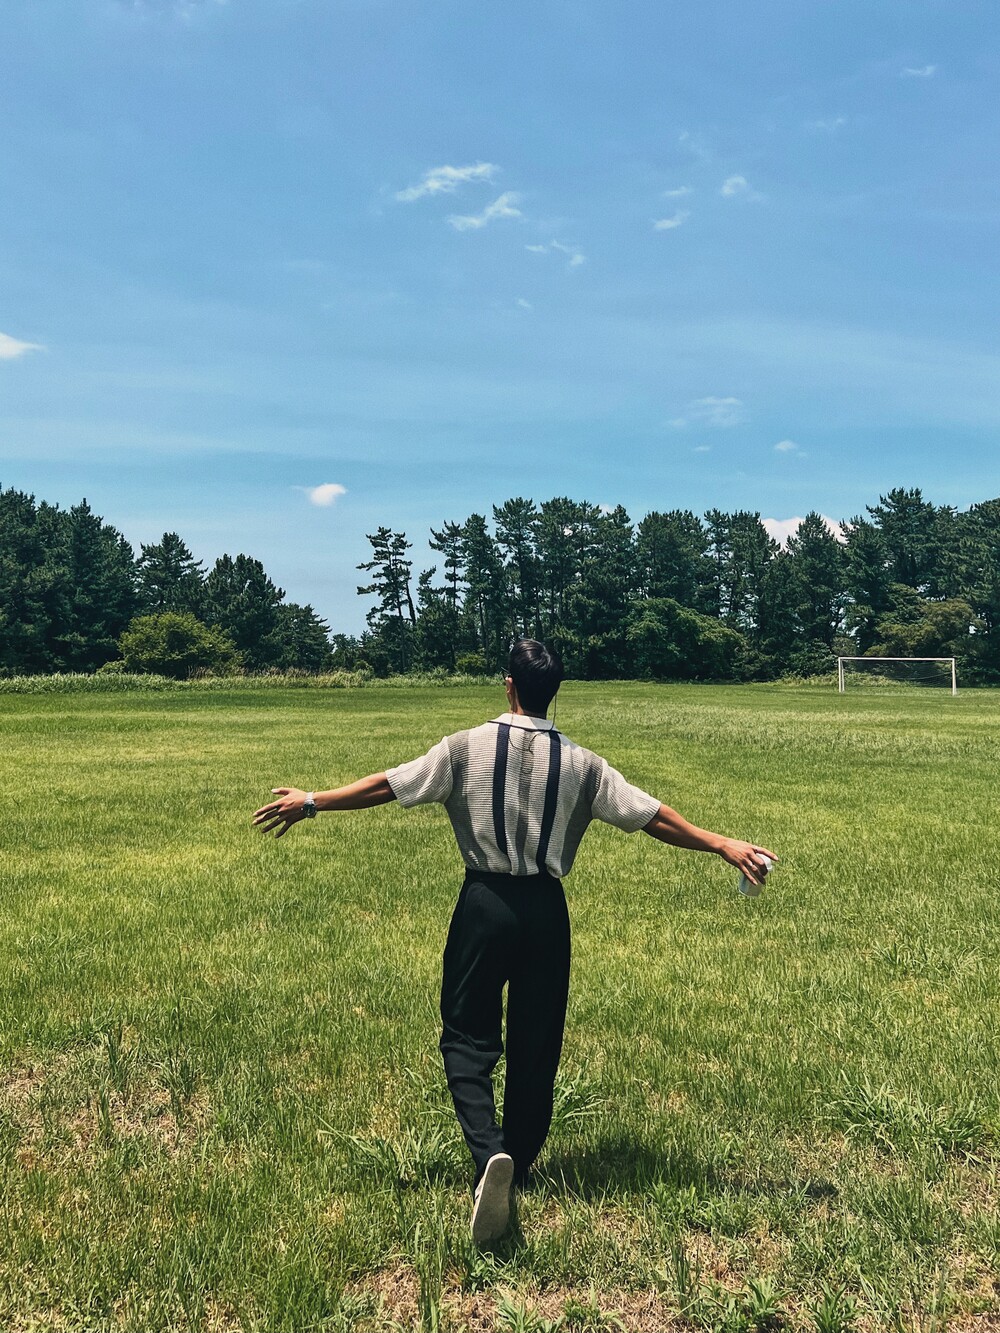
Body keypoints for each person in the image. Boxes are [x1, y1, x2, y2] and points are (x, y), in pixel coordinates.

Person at [252, 639, 776, 1244]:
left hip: (484, 904)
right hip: (546, 912)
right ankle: (518, 1165)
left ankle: (488, 1155)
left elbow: (389, 786)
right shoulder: (583, 764)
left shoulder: (463, 747)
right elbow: (650, 815)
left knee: (466, 1033)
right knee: (537, 1040)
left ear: (509, 686)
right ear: (555, 692)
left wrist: (311, 802)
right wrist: (721, 844)